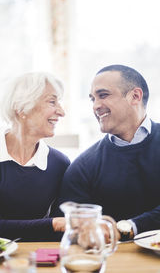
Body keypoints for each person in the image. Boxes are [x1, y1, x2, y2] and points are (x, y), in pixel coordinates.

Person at [57, 64, 160, 241]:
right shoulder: (83, 167)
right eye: (92, 99)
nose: (96, 106)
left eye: (103, 95)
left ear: (135, 96)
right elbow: (77, 230)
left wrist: (129, 228)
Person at [0, 72, 70, 241]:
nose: (61, 112)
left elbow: (58, 232)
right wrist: (54, 224)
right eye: (52, 101)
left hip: (31, 251)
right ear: (22, 108)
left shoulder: (59, 163)